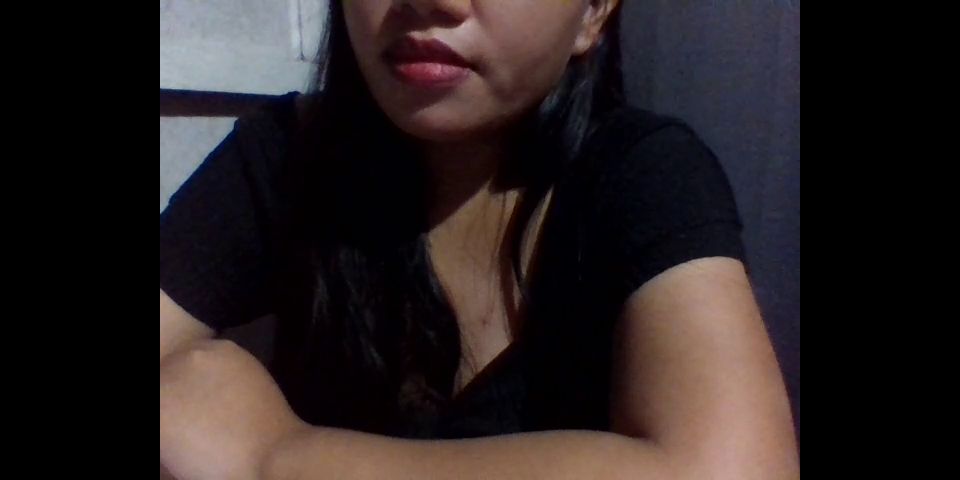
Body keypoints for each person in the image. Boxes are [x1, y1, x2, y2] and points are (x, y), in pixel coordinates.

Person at [159, 0, 799, 478]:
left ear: (593, 12)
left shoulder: (644, 175)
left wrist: (280, 457)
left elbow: (734, 470)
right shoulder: (289, 155)